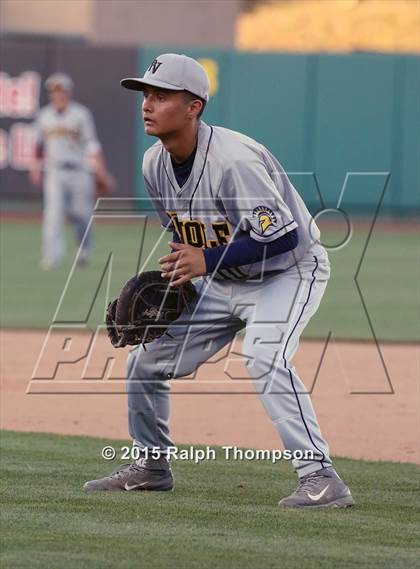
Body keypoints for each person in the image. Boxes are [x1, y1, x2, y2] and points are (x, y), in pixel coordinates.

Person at [84, 54, 354, 508]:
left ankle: (321, 477)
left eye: (162, 96)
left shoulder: (234, 161)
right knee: (144, 363)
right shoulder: (154, 163)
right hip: (223, 278)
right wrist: (180, 281)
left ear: (194, 106)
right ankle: (151, 466)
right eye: (146, 95)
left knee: (265, 357)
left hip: (288, 272)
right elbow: (182, 230)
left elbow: (283, 236)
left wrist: (206, 259)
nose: (147, 104)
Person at [29, 72, 113, 269]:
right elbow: (37, 146)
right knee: (53, 214)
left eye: (61, 90)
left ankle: (84, 248)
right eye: (54, 91)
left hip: (79, 170)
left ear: (68, 92)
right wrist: (35, 168)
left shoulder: (81, 114)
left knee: (82, 213)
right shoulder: (44, 116)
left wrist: (101, 172)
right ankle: (52, 256)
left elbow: (92, 146)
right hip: (55, 171)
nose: (57, 94)